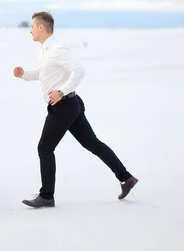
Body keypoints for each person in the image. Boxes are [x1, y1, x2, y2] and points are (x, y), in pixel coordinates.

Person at [14, 12, 138, 208]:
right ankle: (126, 178)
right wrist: (24, 74)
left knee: (45, 148)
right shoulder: (45, 51)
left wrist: (61, 92)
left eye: (32, 27)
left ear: (40, 27)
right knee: (92, 143)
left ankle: (46, 196)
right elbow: (43, 73)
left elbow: (79, 70)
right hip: (71, 105)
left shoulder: (57, 49)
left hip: (64, 106)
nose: (29, 30)